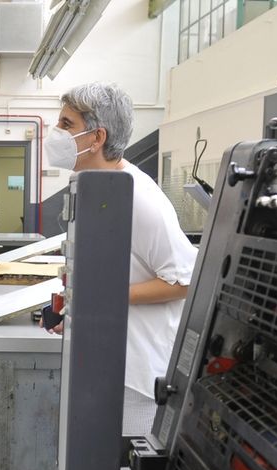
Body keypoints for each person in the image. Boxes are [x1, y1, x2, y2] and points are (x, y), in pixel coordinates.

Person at [43, 82, 196, 437]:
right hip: (104, 361)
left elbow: (183, 280)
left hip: (137, 377)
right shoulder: (92, 187)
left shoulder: (138, 197)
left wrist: (103, 299)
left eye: (66, 124)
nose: (57, 132)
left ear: (96, 138)